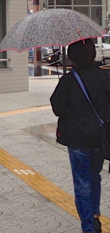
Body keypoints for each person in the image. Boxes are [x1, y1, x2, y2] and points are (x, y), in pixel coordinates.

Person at [51, 39, 110, 233]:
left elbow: (58, 109)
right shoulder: (104, 77)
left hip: (77, 139)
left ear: (72, 57)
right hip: (100, 138)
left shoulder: (68, 80)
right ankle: (95, 215)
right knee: (95, 176)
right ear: (93, 55)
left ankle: (88, 227)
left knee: (82, 182)